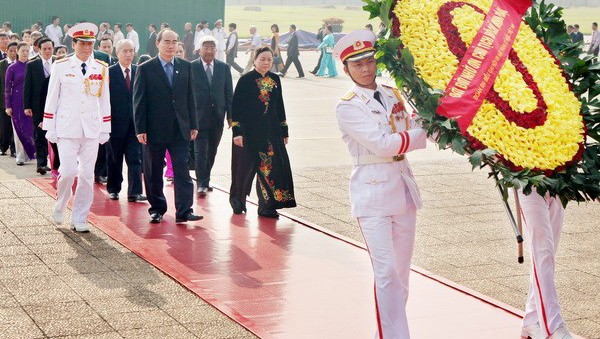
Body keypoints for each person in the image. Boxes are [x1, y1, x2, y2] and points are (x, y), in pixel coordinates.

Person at [333, 30, 427, 339]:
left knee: (400, 274)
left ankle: (389, 333)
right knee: (385, 273)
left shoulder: (392, 94)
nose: (366, 69)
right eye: (357, 65)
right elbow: (384, 145)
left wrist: (448, 126)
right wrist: (423, 135)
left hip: (402, 190)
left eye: (370, 61)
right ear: (346, 69)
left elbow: (415, 124)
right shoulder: (348, 106)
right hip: (372, 195)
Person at [42, 22, 111, 233]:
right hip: (66, 127)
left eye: (90, 44)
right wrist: (49, 126)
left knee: (87, 175)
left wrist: (105, 127)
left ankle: (80, 217)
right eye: (82, 43)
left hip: (91, 128)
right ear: (73, 44)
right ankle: (62, 202)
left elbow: (104, 99)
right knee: (69, 171)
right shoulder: (61, 66)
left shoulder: (100, 67)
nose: (86, 48)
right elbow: (52, 97)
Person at [133, 28, 201, 224]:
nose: (171, 45)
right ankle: (157, 209)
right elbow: (139, 101)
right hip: (153, 131)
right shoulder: (146, 68)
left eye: (174, 42)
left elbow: (191, 98)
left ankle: (184, 210)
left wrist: (193, 123)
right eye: (167, 41)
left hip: (180, 129)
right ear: (158, 44)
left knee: (182, 170)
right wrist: (140, 129)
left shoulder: (186, 67)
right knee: (154, 171)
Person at [230, 45, 296, 218]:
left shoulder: (275, 79)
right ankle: (238, 201)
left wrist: (284, 130)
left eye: (269, 59)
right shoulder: (245, 80)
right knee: (244, 169)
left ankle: (267, 206)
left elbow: (279, 106)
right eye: (262, 59)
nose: (266, 62)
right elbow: (235, 108)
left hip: (271, 132)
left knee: (269, 168)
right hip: (248, 132)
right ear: (254, 60)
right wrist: (237, 132)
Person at [514, 190, 574, 339]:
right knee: (543, 253)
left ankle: (532, 320)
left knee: (548, 254)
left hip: (558, 180)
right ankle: (554, 328)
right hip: (527, 182)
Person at [192, 35, 233, 195]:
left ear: (216, 50)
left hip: (217, 117)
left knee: (212, 151)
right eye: (205, 47)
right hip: (198, 118)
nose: (209, 51)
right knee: (200, 151)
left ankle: (205, 179)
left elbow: (229, 93)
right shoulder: (191, 67)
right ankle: (201, 183)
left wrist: (230, 115)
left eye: (212, 47)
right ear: (199, 49)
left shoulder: (224, 68)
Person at [106, 39, 146, 202]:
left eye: (131, 51)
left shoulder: (140, 71)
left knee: (135, 158)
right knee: (114, 159)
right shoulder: (108, 72)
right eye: (125, 51)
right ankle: (114, 188)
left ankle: (135, 192)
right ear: (117, 53)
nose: (129, 54)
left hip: (135, 126)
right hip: (114, 124)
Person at [23, 37, 56, 175]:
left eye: (50, 48)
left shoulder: (60, 63)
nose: (47, 51)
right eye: (44, 49)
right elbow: (27, 86)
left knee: (55, 136)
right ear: (39, 49)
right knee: (39, 135)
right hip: (38, 106)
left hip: (56, 106)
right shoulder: (32, 65)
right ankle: (41, 164)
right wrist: (27, 106)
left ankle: (56, 163)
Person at [5, 42, 36, 165]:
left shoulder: (33, 66)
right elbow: (7, 88)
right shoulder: (12, 68)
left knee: (31, 128)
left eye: (27, 51)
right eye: (23, 50)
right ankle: (20, 156)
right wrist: (8, 105)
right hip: (16, 101)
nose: (25, 53)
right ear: (17, 51)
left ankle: (33, 154)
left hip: (31, 101)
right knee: (18, 128)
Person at [0, 40, 16, 156]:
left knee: (16, 126)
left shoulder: (23, 65)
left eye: (16, 51)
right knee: (4, 126)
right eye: (11, 51)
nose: (13, 53)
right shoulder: (1, 64)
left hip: (17, 100)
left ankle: (14, 149)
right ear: (6, 51)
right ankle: (3, 146)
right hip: (3, 100)